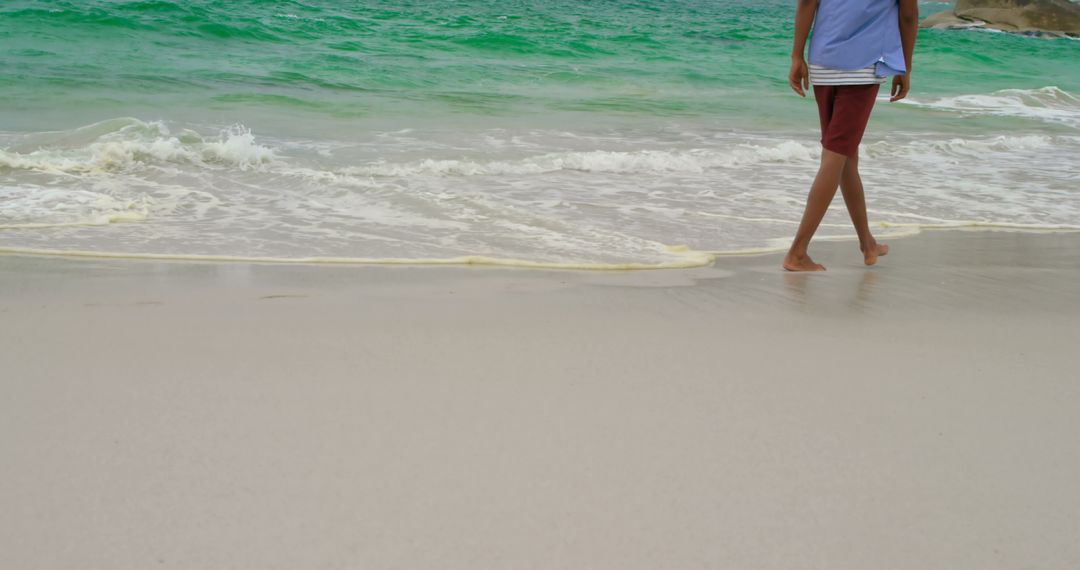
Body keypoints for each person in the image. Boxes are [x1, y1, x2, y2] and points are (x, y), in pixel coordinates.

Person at [783, 0, 919, 271]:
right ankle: (797, 252)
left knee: (844, 155)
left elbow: (807, 3)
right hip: (863, 68)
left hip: (822, 62)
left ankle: (867, 243)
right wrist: (905, 67)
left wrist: (797, 55)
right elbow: (908, 15)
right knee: (835, 156)